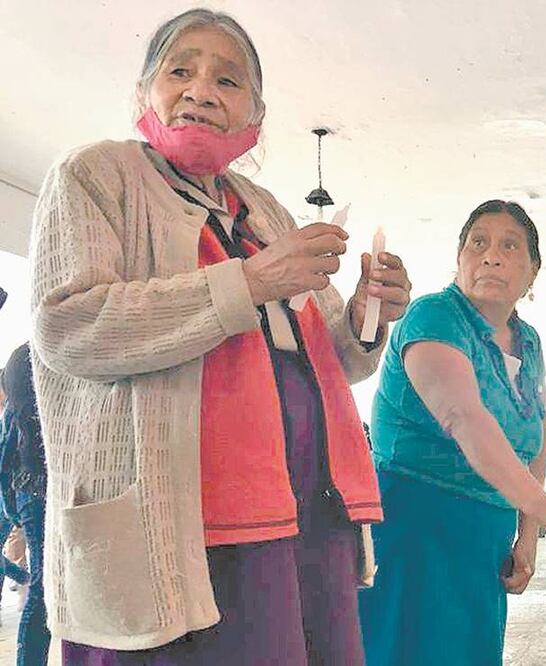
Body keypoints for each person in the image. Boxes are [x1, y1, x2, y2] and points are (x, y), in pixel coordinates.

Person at [30, 9, 412, 663]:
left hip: (301, 512)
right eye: (180, 70)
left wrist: (365, 315)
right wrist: (248, 282)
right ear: (145, 92)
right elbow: (69, 329)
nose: (201, 88)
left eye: (227, 81)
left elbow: (334, 361)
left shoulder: (263, 209)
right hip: (177, 524)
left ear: (253, 117)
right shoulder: (97, 175)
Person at [357, 199, 546, 665]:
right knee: (402, 650)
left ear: (532, 272)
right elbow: (463, 416)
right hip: (413, 524)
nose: (491, 255)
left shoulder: (529, 341)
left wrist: (528, 534)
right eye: (479, 243)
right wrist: (544, 504)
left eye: (509, 246)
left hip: (483, 537)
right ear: (459, 258)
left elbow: (535, 436)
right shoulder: (433, 317)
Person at [2, 346, 48, 664]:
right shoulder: (28, 357)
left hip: (30, 489)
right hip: (36, 486)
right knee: (44, 589)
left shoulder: (21, 358)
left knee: (45, 588)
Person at [0, 368, 30, 624]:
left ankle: (24, 578)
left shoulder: (11, 410)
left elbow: (6, 458)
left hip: (10, 492)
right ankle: (23, 577)